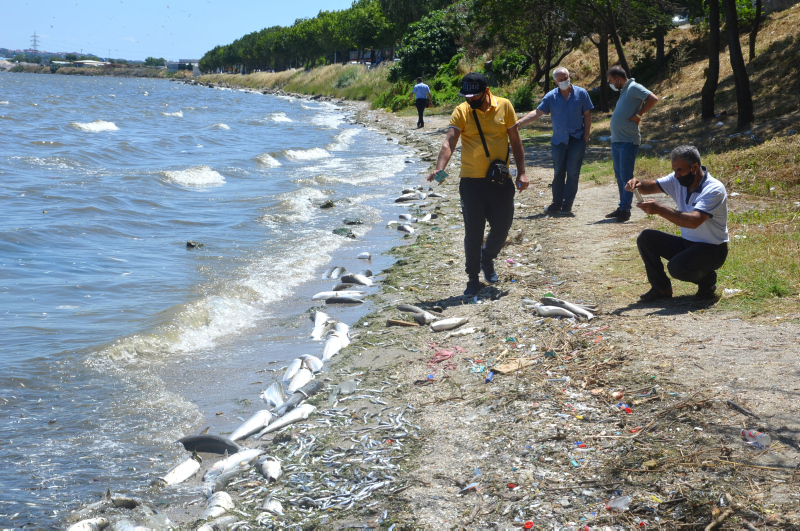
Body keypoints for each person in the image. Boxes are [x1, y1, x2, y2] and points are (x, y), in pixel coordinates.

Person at [426, 72, 529, 296]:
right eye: (466, 96)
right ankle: (472, 278)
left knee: (502, 227)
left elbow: (516, 141)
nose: (469, 100)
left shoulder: (505, 106)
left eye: (474, 96)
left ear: (486, 91)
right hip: (471, 182)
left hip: (500, 180)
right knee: (473, 232)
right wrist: (439, 167)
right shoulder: (462, 110)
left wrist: (522, 172)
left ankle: (487, 257)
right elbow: (450, 141)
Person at [626, 145, 729, 302]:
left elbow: (694, 221)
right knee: (646, 238)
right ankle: (661, 289)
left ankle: (707, 280)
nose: (676, 175)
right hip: (688, 244)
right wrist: (637, 184)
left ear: (695, 167)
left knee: (677, 267)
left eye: (680, 170)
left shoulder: (714, 189)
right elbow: (651, 186)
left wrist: (660, 209)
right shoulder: (677, 180)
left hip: (713, 249)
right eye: (674, 170)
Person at [517, 67, 593, 215]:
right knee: (558, 173)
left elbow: (587, 114)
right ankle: (556, 203)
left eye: (566, 78)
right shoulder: (551, 97)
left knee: (573, 173)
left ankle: (567, 205)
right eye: (561, 80)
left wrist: (586, 135)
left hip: (577, 139)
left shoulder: (581, 93)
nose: (564, 81)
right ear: (555, 82)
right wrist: (519, 123)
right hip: (559, 141)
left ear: (569, 76)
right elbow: (537, 113)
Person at [606, 65, 659, 222]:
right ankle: (622, 206)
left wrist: (639, 114)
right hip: (617, 140)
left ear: (618, 79)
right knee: (619, 176)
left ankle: (625, 211)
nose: (610, 84)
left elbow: (653, 98)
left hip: (628, 140)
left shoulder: (634, 87)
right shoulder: (624, 91)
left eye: (611, 81)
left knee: (626, 177)